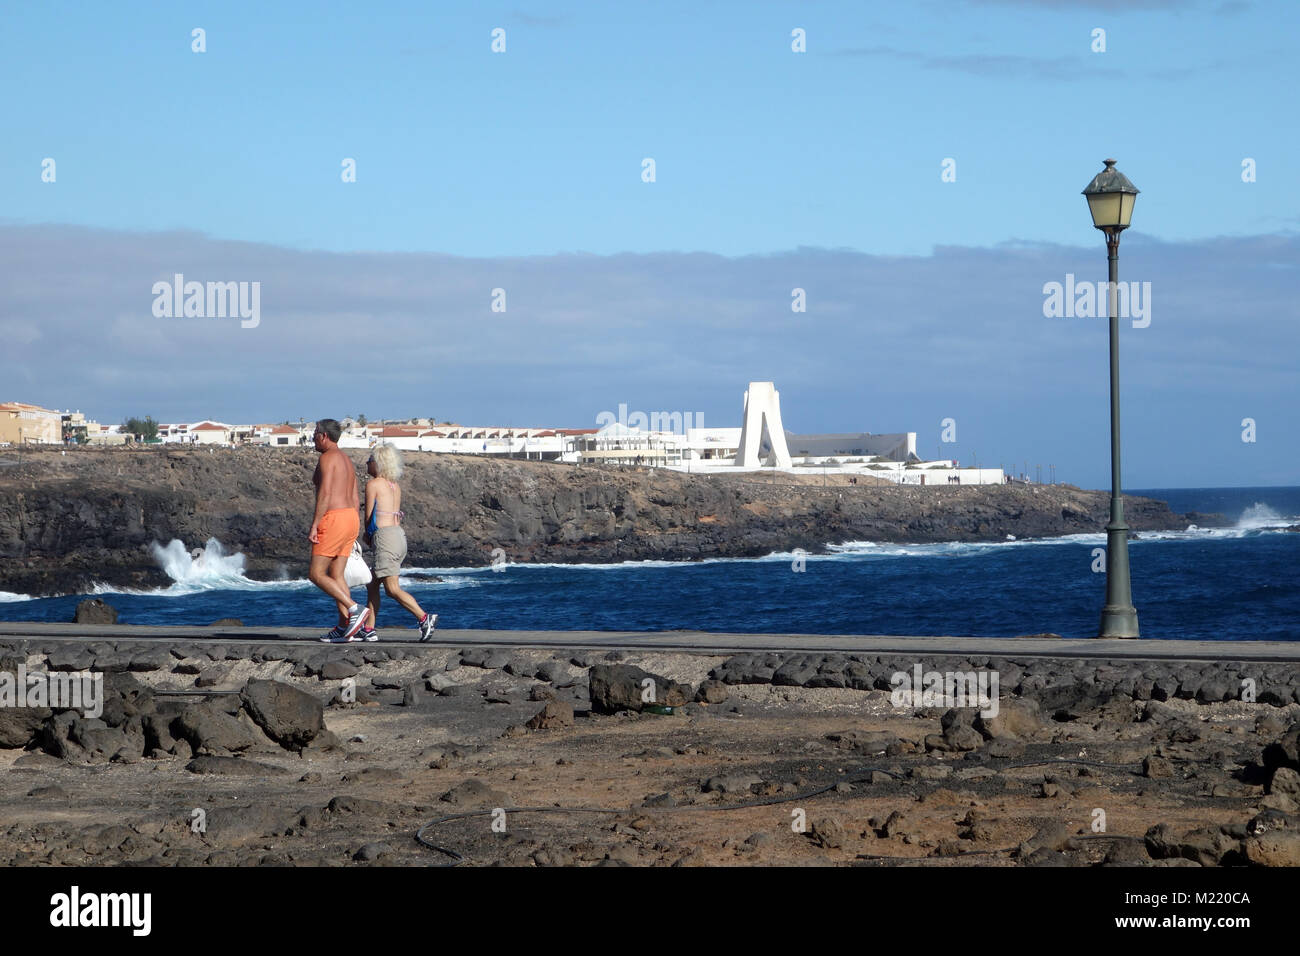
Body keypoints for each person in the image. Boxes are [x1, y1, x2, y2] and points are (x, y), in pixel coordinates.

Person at [358, 443, 437, 641]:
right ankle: (369, 629)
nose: (367, 464)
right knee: (373, 584)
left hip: (385, 538)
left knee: (392, 588)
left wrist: (366, 536)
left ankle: (423, 617)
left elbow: (369, 516)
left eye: (370, 460)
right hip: (398, 536)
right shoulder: (395, 485)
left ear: (378, 463)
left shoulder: (373, 484)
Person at [308, 419, 368, 642]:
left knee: (316, 574)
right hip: (350, 517)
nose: (312, 437)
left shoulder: (327, 458)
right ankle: (346, 627)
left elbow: (324, 494)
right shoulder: (345, 460)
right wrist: (355, 524)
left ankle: (354, 609)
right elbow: (354, 496)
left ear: (324, 436)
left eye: (315, 433)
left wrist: (315, 524)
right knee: (336, 574)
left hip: (333, 518)